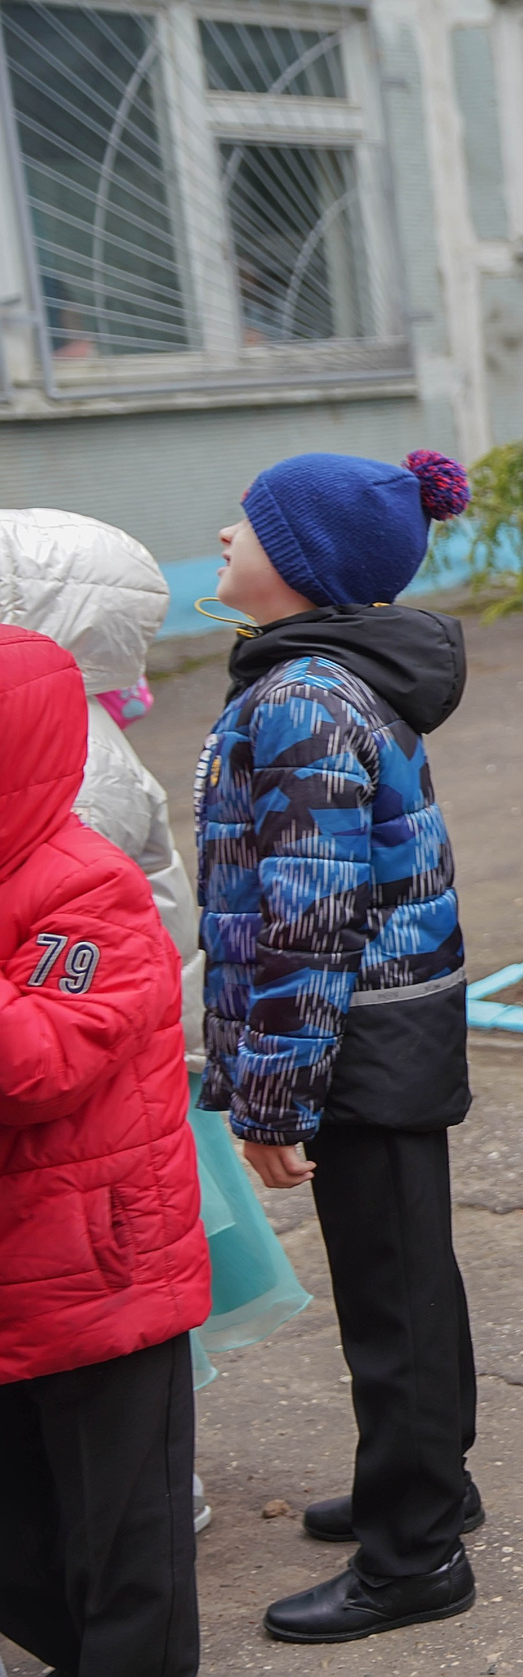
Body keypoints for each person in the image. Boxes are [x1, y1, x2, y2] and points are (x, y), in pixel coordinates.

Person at [201, 449, 482, 1643]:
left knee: (393, 1299)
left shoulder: (303, 700)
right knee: (412, 1275)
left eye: (250, 523)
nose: (223, 533)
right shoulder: (317, 678)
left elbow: (311, 917)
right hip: (381, 1027)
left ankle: (413, 1556)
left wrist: (270, 1098)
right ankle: (427, 1482)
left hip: (353, 1035)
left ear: (303, 567)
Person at [0, 510, 311, 1537]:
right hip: (125, 1042)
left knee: (113, 1286)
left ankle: (143, 1492)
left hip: (103, 1066)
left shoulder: (63, 766)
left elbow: (60, 982)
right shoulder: (57, 725)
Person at [0, 623, 208, 1677]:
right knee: (26, 1550)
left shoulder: (90, 890)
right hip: (15, 1278)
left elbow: (40, 1064)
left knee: (130, 1561)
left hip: (99, 1276)